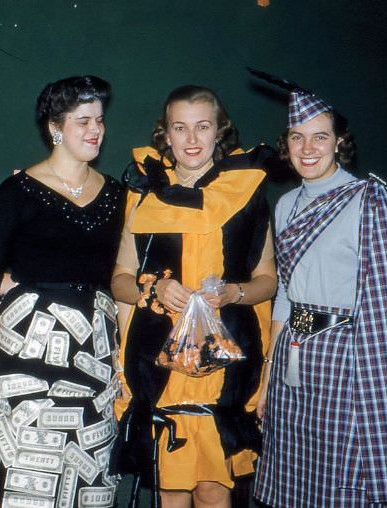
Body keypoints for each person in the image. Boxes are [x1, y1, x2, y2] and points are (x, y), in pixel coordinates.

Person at [249, 70, 387, 507]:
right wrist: (267, 380)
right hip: (292, 357)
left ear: (340, 141)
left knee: (344, 480)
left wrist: (379, 393)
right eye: (297, 137)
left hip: (348, 359)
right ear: (285, 144)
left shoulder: (370, 200)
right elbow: (284, 295)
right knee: (295, 482)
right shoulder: (285, 204)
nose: (308, 149)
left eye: (320, 137)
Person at [110, 85, 277, 508]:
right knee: (170, 489)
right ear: (164, 133)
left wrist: (234, 292)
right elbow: (119, 280)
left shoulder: (246, 191)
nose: (191, 139)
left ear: (219, 131)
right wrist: (156, 288)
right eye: (179, 128)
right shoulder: (144, 191)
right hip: (159, 363)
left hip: (226, 363)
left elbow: (268, 280)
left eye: (202, 127)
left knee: (214, 490)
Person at [0, 75, 125, 507]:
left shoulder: (116, 194)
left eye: (99, 119)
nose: (95, 129)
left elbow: (119, 279)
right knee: (27, 477)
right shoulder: (16, 192)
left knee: (88, 479)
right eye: (82, 121)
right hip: (27, 348)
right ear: (55, 128)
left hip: (94, 349)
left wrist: (124, 361)